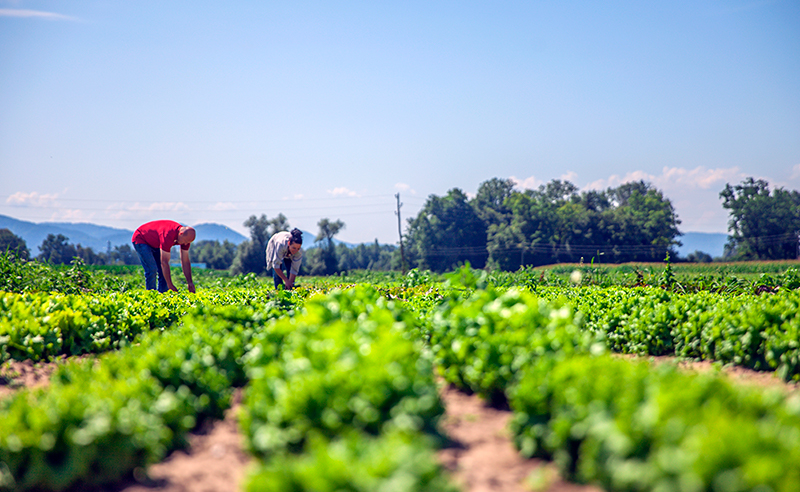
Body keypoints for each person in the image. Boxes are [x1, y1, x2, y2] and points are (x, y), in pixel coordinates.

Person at [132, 220, 196, 293]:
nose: (185, 244)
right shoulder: (168, 234)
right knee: (152, 269)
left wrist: (190, 282)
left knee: (163, 272)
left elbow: (185, 261)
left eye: (188, 242)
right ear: (181, 234)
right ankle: (151, 295)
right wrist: (170, 285)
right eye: (185, 241)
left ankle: (162, 295)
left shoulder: (186, 240)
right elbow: (164, 262)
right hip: (141, 239)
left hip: (156, 243)